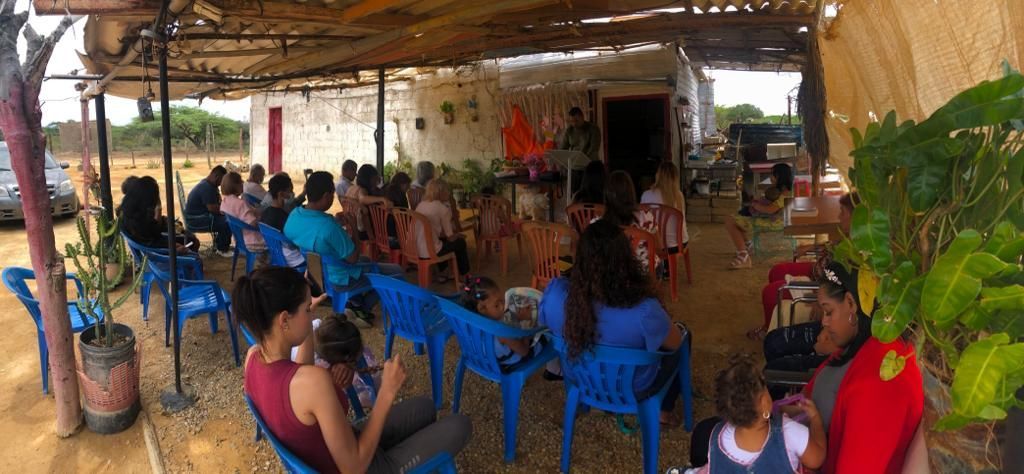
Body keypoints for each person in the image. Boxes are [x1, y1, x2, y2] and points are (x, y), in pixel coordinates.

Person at [237, 267, 472, 474]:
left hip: (333, 448)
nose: (312, 315)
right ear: (284, 320)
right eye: (307, 310)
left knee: (425, 407)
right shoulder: (314, 383)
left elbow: (298, 374)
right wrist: (387, 392)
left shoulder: (253, 358)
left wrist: (306, 324)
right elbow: (354, 468)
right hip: (357, 465)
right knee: (460, 424)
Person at [540, 219, 686, 424]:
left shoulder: (556, 294)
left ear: (579, 257)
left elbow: (544, 323)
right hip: (633, 388)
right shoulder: (644, 310)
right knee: (683, 338)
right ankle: (663, 409)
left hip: (582, 380)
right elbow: (675, 343)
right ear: (626, 260)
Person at [807, 262, 922, 472]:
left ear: (851, 303)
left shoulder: (879, 382)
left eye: (829, 311)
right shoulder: (870, 344)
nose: (823, 321)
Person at [284, 171, 406, 326]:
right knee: (397, 271)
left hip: (318, 275)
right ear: (327, 196)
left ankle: (355, 304)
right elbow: (353, 258)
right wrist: (354, 227)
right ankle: (363, 307)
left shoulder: (296, 214)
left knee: (367, 260)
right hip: (341, 279)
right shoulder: (328, 227)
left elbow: (296, 237)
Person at [686, 355, 826, 473]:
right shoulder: (790, 432)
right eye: (764, 385)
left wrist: (779, 410)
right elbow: (817, 459)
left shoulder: (717, 437)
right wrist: (815, 419)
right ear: (764, 402)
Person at [750, 192, 859, 342]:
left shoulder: (860, 249)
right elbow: (832, 245)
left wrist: (821, 299)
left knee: (770, 293)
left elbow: (840, 285)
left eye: (843, 212)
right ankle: (771, 323)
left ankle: (770, 331)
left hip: (820, 285)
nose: (839, 217)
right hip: (817, 270)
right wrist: (811, 246)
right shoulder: (851, 235)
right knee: (777, 271)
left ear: (856, 217)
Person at [460, 276, 547, 369]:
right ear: (482, 309)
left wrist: (517, 317)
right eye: (497, 305)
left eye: (502, 300)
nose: (503, 306)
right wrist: (526, 327)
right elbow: (524, 351)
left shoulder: (468, 322)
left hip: (485, 359)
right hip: (508, 363)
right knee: (544, 336)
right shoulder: (501, 331)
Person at [723, 163, 794, 269]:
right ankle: (747, 246)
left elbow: (770, 210)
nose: (770, 177)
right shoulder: (785, 191)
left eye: (772, 175)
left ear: (779, 177)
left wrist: (756, 205)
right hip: (773, 220)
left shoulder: (784, 194)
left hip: (772, 222)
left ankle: (744, 256)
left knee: (730, 220)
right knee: (736, 219)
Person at [119, 176, 198, 253]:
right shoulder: (139, 220)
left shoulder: (128, 210)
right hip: (159, 252)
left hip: (153, 246)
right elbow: (155, 233)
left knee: (184, 233)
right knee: (193, 241)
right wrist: (174, 249)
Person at [414, 179, 470, 282]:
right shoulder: (442, 208)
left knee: (440, 241)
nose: (449, 193)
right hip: (430, 251)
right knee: (460, 243)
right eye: (447, 190)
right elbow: (450, 237)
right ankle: (465, 274)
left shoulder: (421, 205)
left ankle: (443, 273)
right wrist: (458, 235)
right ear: (440, 192)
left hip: (415, 248)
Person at [603, 171, 659, 273]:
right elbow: (658, 246)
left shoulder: (597, 223)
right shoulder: (646, 217)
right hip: (642, 273)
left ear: (606, 194)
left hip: (611, 275)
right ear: (631, 192)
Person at [641, 160, 690, 250]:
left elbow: (643, 221)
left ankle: (659, 262)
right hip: (678, 244)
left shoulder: (646, 195)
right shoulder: (679, 195)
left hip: (655, 244)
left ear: (658, 175)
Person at [184, 165, 232, 256]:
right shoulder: (207, 188)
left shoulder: (208, 184)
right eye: (221, 181)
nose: (221, 184)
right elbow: (212, 208)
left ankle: (219, 244)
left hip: (199, 216)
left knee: (225, 219)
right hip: (196, 220)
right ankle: (222, 249)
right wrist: (227, 211)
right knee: (227, 222)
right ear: (216, 176)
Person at [261, 173, 304, 269]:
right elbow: (296, 241)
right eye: (290, 192)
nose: (292, 194)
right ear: (281, 194)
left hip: (276, 255)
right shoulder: (282, 217)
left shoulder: (266, 212)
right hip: (292, 259)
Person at [220, 171, 265, 251]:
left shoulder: (225, 201)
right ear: (236, 185)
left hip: (239, 239)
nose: (243, 183)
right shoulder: (240, 203)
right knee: (277, 238)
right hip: (253, 241)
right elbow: (253, 223)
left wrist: (255, 211)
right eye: (241, 181)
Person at [346, 165, 390, 238]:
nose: (376, 180)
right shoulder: (362, 190)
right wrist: (382, 199)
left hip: (351, 228)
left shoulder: (351, 188)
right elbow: (362, 199)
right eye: (375, 177)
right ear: (370, 178)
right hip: (362, 231)